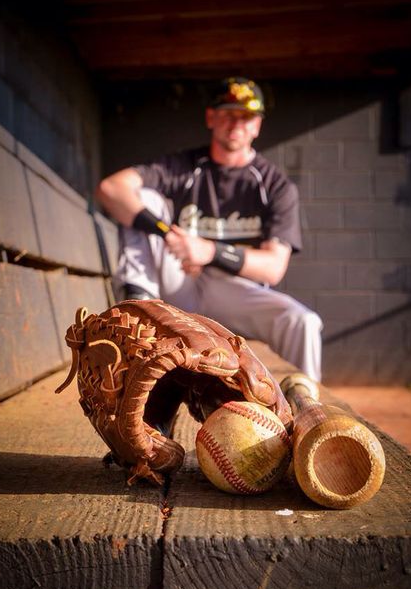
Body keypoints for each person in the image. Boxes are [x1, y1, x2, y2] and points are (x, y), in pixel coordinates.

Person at [96, 77, 323, 381]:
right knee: (144, 197)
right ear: (211, 117)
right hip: (179, 281)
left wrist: (209, 251)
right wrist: (169, 234)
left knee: (303, 322)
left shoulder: (274, 185)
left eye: (246, 116)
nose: (236, 123)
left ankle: (308, 411)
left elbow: (273, 268)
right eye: (228, 113)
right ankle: (139, 313)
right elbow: (112, 189)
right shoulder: (185, 167)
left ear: (257, 125)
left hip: (235, 291)